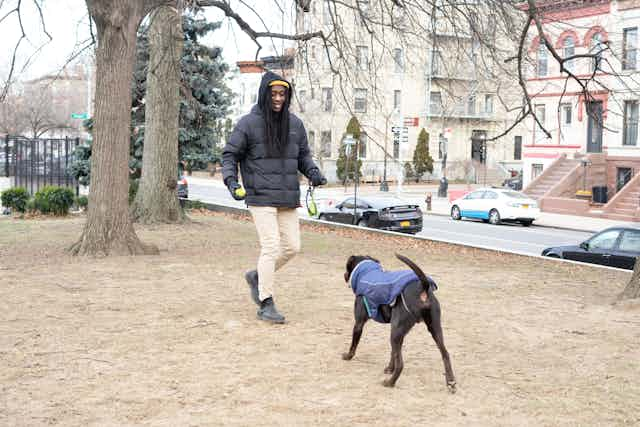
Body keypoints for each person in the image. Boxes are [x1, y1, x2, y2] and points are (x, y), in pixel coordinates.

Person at [222, 71, 327, 324]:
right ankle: (266, 303)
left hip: (287, 196)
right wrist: (232, 182)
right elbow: (229, 155)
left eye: (282, 94)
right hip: (259, 196)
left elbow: (303, 156)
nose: (278, 98)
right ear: (264, 95)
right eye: (273, 94)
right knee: (271, 247)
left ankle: (257, 276)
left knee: (292, 247)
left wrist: (313, 172)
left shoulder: (296, 125)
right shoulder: (247, 123)